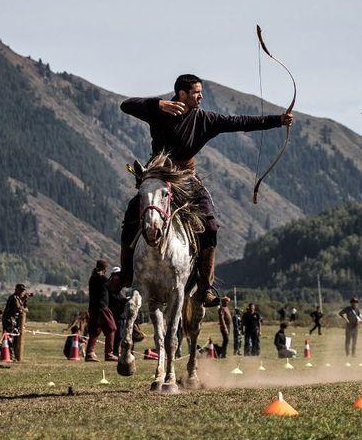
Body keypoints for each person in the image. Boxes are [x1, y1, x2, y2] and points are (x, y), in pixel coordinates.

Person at [118, 74, 293, 308]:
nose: (201, 96)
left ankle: (205, 286)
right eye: (196, 93)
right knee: (132, 215)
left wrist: (278, 120)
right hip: (159, 174)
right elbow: (125, 105)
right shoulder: (160, 110)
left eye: (200, 92)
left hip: (187, 177)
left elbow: (240, 122)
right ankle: (126, 275)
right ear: (182, 94)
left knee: (209, 226)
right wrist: (158, 104)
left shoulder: (205, 119)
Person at [86, 260, 116, 362]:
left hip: (93, 308)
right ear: (105, 269)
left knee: (95, 330)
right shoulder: (101, 278)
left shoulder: (93, 277)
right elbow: (112, 285)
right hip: (102, 307)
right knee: (111, 328)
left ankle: (89, 353)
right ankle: (109, 353)